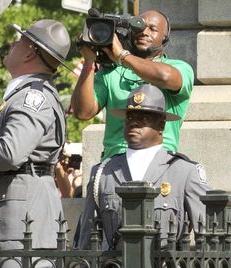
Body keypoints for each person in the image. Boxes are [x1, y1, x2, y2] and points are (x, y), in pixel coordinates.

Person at [0, 19, 71, 268]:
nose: (12, 44)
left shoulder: (31, 98)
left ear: (29, 53)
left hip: (18, 219)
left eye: (19, 41)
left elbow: (9, 152)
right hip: (10, 214)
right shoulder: (22, 96)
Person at [76, 84, 208, 250]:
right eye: (130, 117)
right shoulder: (103, 173)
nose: (134, 123)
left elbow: (207, 234)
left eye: (143, 118)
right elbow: (89, 236)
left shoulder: (184, 171)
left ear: (161, 125)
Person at [71, 9, 194, 159]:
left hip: (160, 162)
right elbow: (83, 112)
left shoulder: (179, 68)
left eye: (152, 29)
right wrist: (89, 60)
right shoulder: (112, 72)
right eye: (139, 27)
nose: (144, 32)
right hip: (115, 163)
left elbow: (165, 77)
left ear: (165, 38)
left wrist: (123, 56)